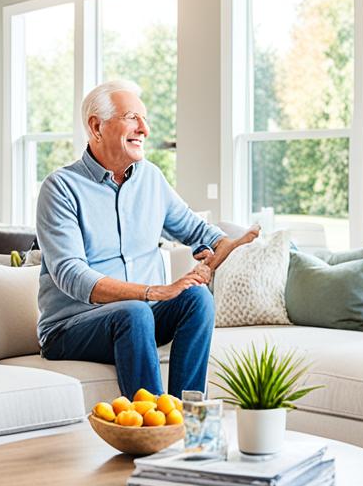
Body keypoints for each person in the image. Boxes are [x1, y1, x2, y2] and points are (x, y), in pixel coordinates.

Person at [36, 80, 257, 398]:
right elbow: (71, 276)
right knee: (135, 311)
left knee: (197, 299)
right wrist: (153, 292)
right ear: (96, 127)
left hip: (139, 319)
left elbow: (199, 232)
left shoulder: (151, 178)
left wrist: (224, 246)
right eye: (131, 117)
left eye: (144, 118)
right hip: (72, 328)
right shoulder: (61, 188)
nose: (144, 129)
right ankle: (153, 427)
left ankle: (189, 418)